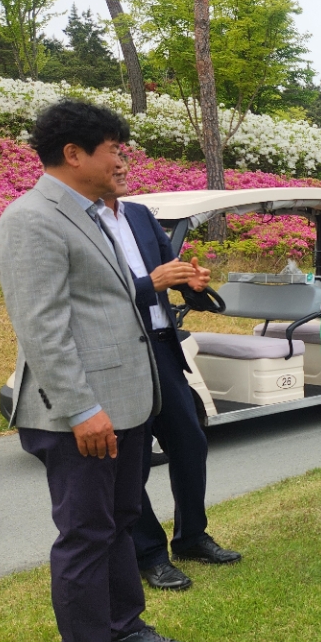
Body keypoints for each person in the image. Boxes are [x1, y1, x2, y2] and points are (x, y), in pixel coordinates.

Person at [0, 99, 189, 642]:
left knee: (119, 520)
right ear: (74, 154)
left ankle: (125, 629)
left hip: (123, 403)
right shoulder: (31, 220)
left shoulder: (90, 214)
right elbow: (42, 329)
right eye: (113, 150)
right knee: (85, 535)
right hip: (81, 413)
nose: (121, 161)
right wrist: (81, 408)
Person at [98, 156, 242, 592]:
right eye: (112, 155)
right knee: (134, 463)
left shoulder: (140, 215)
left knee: (190, 443)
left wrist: (191, 283)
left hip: (164, 349)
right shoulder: (83, 223)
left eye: (124, 155)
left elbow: (172, 275)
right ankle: (149, 555)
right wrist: (152, 283)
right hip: (124, 355)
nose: (122, 165)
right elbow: (98, 296)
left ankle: (192, 537)